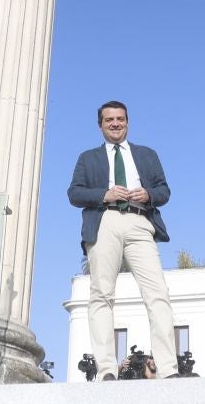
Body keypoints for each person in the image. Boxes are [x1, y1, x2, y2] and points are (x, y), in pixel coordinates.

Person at [68, 100, 176, 382]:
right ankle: (106, 370)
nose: (115, 124)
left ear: (127, 122)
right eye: (109, 120)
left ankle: (167, 369)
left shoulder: (147, 154)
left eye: (120, 119)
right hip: (104, 221)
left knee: (158, 293)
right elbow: (74, 193)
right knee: (102, 294)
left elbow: (164, 190)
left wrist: (148, 194)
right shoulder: (87, 158)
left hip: (141, 222)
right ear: (100, 125)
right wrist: (104, 194)